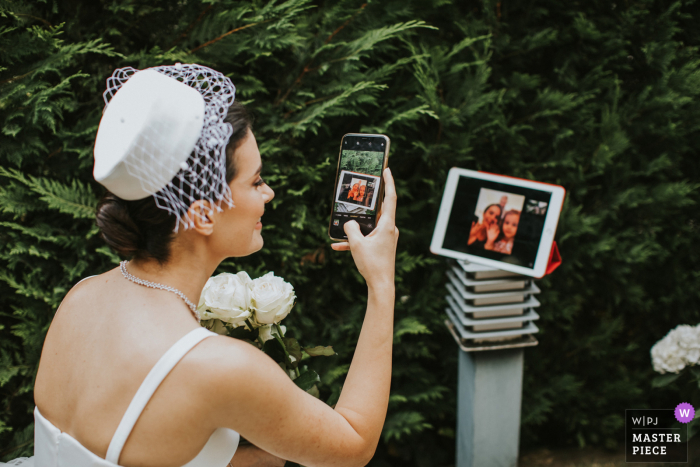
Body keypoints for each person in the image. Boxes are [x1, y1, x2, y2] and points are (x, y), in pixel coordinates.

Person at [21, 65, 399, 467]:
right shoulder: (218, 366)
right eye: (256, 181)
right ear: (202, 215)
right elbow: (354, 445)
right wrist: (381, 284)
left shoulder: (81, 296)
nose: (269, 193)